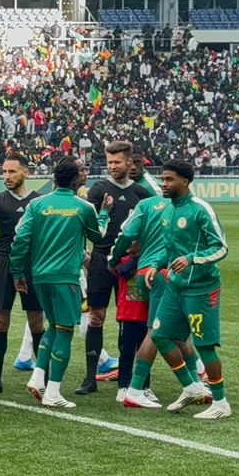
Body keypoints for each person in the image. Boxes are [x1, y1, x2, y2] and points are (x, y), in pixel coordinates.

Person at [133, 160, 231, 419]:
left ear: (185, 181)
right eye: (162, 179)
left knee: (205, 345)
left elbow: (221, 247)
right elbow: (169, 248)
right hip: (175, 288)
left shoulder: (200, 210)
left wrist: (192, 258)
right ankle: (191, 386)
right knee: (160, 335)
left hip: (201, 288)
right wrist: (156, 264)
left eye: (169, 180)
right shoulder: (167, 212)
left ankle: (220, 403)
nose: (163, 184)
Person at [13, 157, 112, 409]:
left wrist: (17, 273)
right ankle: (54, 392)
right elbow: (97, 237)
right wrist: (104, 215)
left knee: (53, 328)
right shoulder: (83, 207)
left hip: (40, 277)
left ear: (54, 178)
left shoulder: (36, 204)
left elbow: (20, 238)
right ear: (76, 180)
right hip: (67, 277)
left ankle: (38, 378)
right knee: (65, 332)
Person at [109, 178, 210, 409]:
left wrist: (113, 260)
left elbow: (126, 235)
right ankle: (137, 389)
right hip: (164, 274)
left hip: (151, 272)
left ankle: (195, 384)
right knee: (156, 331)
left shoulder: (145, 206)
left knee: (178, 332)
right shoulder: (189, 207)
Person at [79, 140, 150, 395]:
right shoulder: (98, 191)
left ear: (129, 162)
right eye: (109, 162)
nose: (112, 167)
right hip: (100, 262)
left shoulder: (142, 195)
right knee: (96, 317)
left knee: (129, 322)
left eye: (117, 162)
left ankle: (128, 377)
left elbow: (150, 230)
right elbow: (85, 226)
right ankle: (90, 377)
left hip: (129, 266)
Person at [0, 154, 44, 396]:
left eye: (12, 172)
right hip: (4, 263)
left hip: (31, 264)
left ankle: (42, 378)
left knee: (37, 322)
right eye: (4, 172)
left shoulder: (39, 201)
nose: (6, 176)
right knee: (0, 321)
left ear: (25, 173)